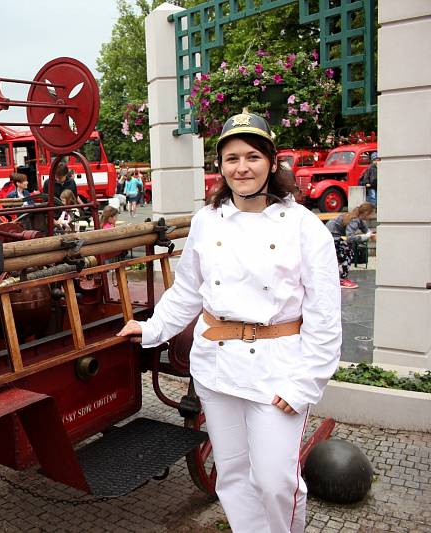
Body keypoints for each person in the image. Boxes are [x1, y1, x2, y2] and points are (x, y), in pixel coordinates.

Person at [117, 112, 341, 533]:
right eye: (231, 157)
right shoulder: (207, 220)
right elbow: (187, 290)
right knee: (234, 476)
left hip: (278, 374)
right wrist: (151, 329)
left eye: (253, 156)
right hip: (216, 367)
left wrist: (305, 383)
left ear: (273, 163)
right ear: (219, 166)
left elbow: (325, 318)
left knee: (277, 482)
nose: (242, 167)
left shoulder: (305, 228)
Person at [325, 202, 376, 289]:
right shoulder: (354, 220)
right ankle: (341, 279)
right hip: (330, 236)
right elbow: (350, 238)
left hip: (330, 235)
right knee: (348, 253)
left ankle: (335, 278)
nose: (373, 216)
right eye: (372, 214)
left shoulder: (358, 218)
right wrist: (366, 237)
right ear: (366, 213)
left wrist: (370, 234)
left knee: (341, 253)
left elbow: (365, 230)